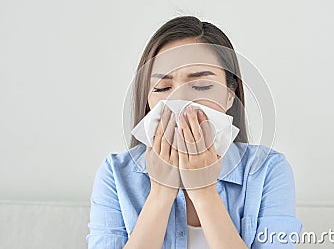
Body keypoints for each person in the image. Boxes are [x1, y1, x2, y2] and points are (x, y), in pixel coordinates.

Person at [86, 15, 303, 249]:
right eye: (163, 87)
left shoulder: (267, 171)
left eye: (202, 86)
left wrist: (204, 192)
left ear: (231, 95)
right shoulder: (116, 175)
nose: (180, 101)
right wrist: (160, 193)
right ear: (147, 99)